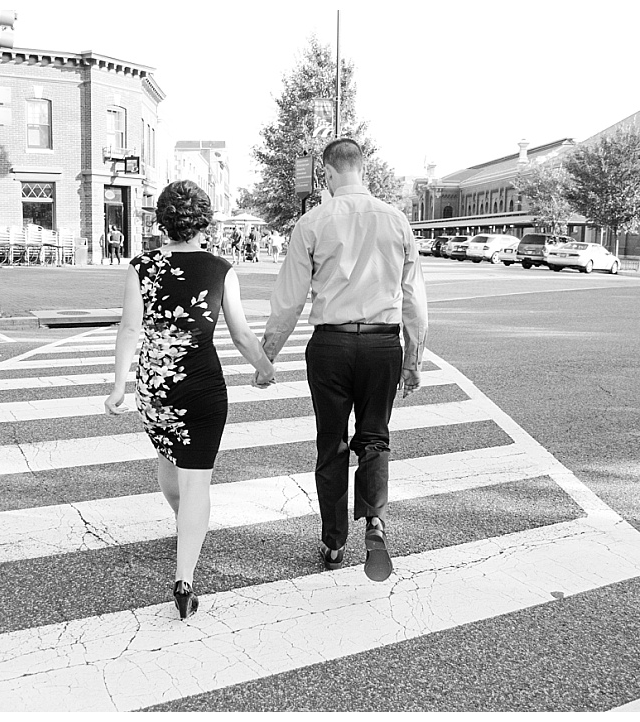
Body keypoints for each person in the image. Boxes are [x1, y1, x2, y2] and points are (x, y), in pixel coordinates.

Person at [105, 180, 276, 620]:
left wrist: (120, 384)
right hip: (202, 384)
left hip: (156, 386)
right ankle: (184, 579)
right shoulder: (221, 269)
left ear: (162, 221)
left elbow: (129, 329)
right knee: (198, 479)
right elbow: (240, 334)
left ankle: (186, 525)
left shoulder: (141, 266)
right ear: (205, 221)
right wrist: (264, 367)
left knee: (168, 461)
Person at [261, 138, 428, 583]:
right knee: (375, 436)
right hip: (381, 344)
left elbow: (289, 300)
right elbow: (414, 300)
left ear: (328, 175)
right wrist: (414, 358)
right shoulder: (397, 221)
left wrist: (267, 356)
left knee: (331, 443)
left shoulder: (312, 223)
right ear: (362, 169)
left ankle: (334, 541)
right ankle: (373, 518)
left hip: (331, 345)